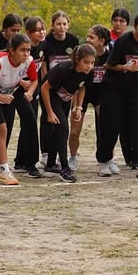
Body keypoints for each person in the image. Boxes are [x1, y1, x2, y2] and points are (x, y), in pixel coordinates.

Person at [98, 11, 138, 179]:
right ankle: (104, 160)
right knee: (111, 124)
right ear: (134, 27)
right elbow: (108, 65)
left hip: (135, 87)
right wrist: (126, 68)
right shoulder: (124, 41)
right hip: (114, 87)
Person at [0, 33, 38, 185]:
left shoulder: (29, 61)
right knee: (2, 129)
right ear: (12, 50)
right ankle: (4, 171)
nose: (26, 54)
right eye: (22, 50)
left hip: (6, 95)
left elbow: (34, 79)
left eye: (28, 50)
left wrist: (29, 92)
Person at [41, 44, 97, 182]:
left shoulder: (90, 72)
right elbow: (44, 88)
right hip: (51, 95)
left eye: (92, 62)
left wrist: (78, 107)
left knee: (58, 130)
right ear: (78, 59)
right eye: (86, 62)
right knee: (63, 129)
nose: (89, 66)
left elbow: (82, 88)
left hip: (65, 98)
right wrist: (49, 112)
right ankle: (65, 168)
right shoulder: (64, 69)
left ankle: (50, 165)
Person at [69, 25, 111, 171]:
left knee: (106, 128)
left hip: (102, 94)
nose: (87, 39)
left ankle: (106, 159)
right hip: (82, 92)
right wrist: (76, 106)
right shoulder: (83, 53)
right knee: (74, 130)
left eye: (91, 37)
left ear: (102, 41)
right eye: (87, 36)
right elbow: (75, 79)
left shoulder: (110, 54)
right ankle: (73, 157)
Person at [41, 11, 79, 166]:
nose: (61, 27)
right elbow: (43, 64)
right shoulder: (47, 41)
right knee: (47, 120)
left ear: (68, 25)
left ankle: (56, 155)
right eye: (58, 24)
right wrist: (47, 79)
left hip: (66, 87)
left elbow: (76, 63)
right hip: (50, 85)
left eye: (64, 24)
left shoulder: (73, 40)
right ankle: (45, 154)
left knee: (62, 121)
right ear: (53, 26)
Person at [12, 16, 45, 178]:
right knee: (30, 123)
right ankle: (31, 164)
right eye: (38, 30)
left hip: (32, 89)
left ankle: (20, 161)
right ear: (29, 33)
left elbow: (38, 72)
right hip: (17, 90)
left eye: (43, 29)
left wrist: (33, 89)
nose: (41, 32)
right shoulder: (20, 47)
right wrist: (20, 83)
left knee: (29, 123)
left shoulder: (43, 46)